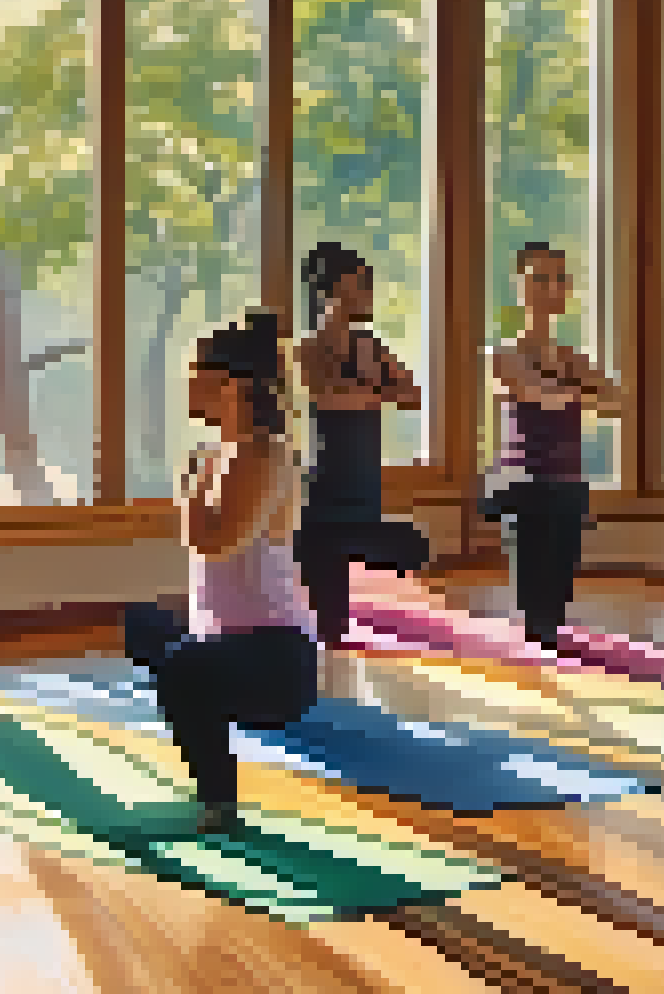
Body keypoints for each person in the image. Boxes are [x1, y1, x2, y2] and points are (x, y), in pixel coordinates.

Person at [120, 310, 319, 836]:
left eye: (197, 377)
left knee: (183, 667)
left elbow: (213, 539)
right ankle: (205, 750)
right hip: (239, 644)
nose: (187, 387)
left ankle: (218, 803)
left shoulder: (261, 454)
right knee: (143, 626)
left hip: (277, 659)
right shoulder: (229, 454)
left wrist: (188, 487)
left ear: (231, 387)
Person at [481, 242, 623, 650]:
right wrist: (575, 390)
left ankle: (548, 646)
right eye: (540, 279)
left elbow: (616, 400)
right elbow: (541, 394)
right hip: (524, 480)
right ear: (520, 288)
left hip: (566, 477)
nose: (551, 288)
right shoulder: (503, 353)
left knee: (559, 583)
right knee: (534, 586)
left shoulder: (571, 357)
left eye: (559, 279)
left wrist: (565, 388)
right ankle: (535, 648)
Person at [292, 243, 431, 648]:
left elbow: (413, 394)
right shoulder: (306, 350)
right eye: (362, 285)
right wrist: (374, 388)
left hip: (363, 476)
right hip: (320, 481)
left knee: (408, 549)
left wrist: (362, 389)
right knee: (326, 605)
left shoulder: (371, 347)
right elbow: (328, 398)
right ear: (333, 291)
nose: (369, 294)